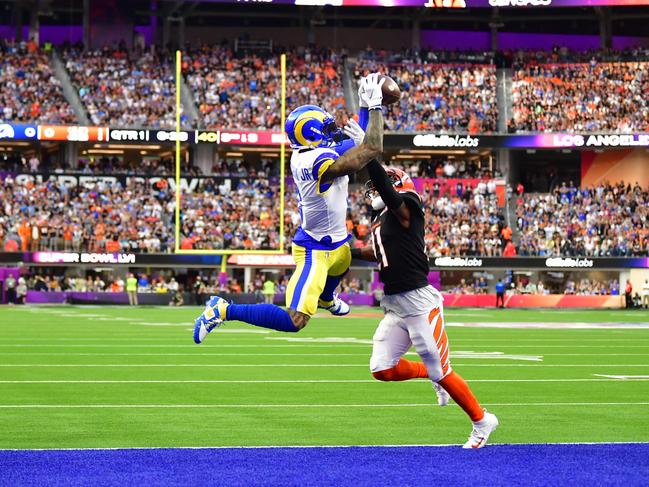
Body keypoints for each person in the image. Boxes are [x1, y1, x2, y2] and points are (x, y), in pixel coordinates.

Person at [193, 73, 386, 343]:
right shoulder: (313, 161)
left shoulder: (315, 149)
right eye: (327, 128)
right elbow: (366, 151)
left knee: (344, 257)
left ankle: (327, 297)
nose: (333, 131)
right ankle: (223, 309)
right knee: (295, 321)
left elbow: (359, 142)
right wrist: (374, 107)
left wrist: (364, 105)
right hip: (314, 248)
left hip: (335, 240)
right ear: (312, 136)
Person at [352, 162, 498, 449]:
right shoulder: (383, 219)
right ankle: (427, 374)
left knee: (442, 369)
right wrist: (347, 252)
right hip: (395, 303)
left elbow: (389, 193)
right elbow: (379, 251)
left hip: (419, 300)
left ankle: (482, 421)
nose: (373, 190)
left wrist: (370, 160)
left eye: (381, 183)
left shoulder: (407, 205)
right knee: (381, 368)